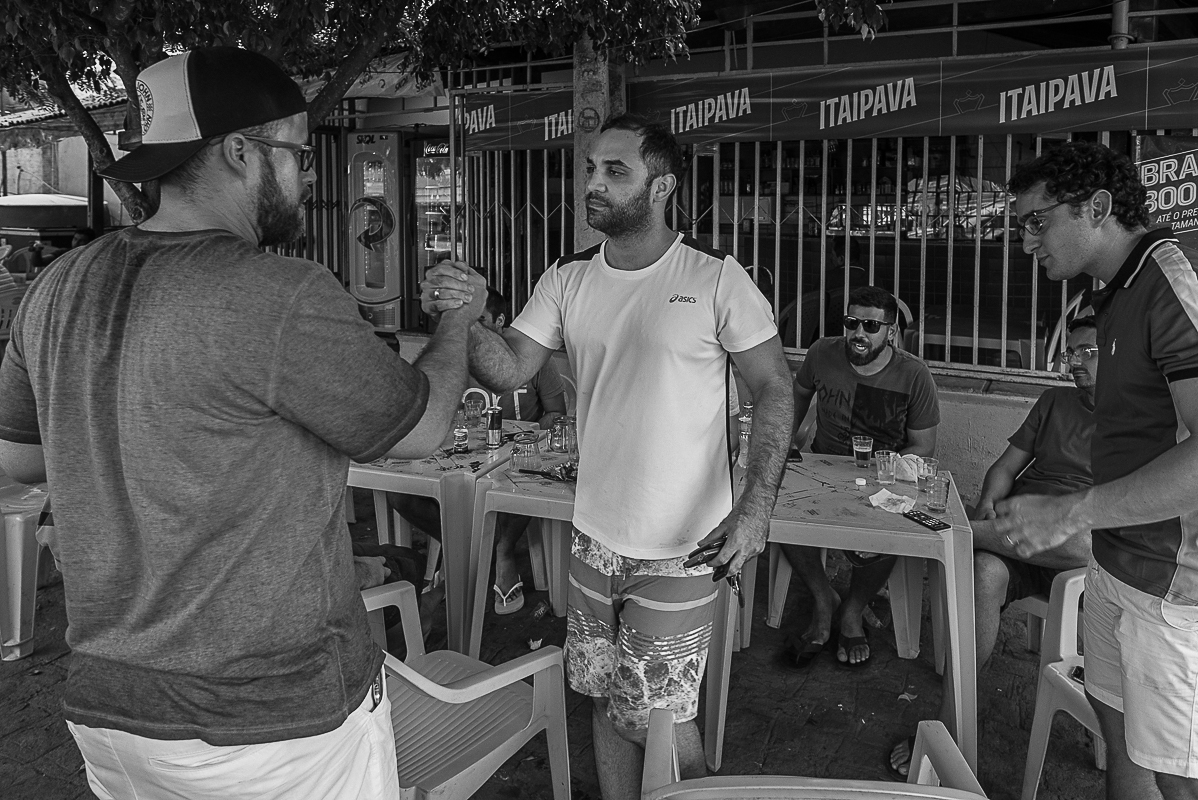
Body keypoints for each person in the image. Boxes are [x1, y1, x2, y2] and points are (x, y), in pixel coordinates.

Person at [0, 47, 486, 800]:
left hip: (110, 720)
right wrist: (457, 323)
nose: (309, 175)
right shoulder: (277, 293)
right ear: (238, 152)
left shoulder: (56, 287)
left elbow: (21, 462)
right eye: (296, 153)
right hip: (267, 728)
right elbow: (421, 430)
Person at [421, 113, 794, 800]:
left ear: (662, 188)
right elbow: (509, 369)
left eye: (614, 171)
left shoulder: (715, 278)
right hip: (594, 539)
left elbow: (774, 385)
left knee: (654, 715)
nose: (592, 182)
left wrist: (756, 508)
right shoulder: (567, 279)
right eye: (590, 167)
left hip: (686, 546)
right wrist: (468, 315)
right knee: (600, 695)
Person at [981, 140, 1198, 800]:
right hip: (1114, 562)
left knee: (1174, 775)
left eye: (1036, 221)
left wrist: (1071, 511)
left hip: (1171, 588)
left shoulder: (1171, 283)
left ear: (1097, 207)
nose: (1026, 243)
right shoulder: (1113, 292)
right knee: (1120, 740)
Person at [887, 315, 1099, 779]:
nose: (1075, 364)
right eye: (1071, 354)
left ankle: (947, 528)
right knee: (984, 572)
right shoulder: (1054, 401)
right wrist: (986, 505)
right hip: (1013, 530)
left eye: (1088, 353)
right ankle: (952, 724)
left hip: (1074, 552)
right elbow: (1005, 469)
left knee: (1085, 544)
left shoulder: (1143, 419)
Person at [782, 285, 939, 670]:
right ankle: (823, 601)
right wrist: (785, 441)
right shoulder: (822, 353)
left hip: (881, 477)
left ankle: (852, 610)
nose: (859, 333)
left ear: (891, 332)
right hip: (822, 468)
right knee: (776, 511)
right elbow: (798, 396)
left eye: (871, 325)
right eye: (852, 323)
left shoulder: (914, 375)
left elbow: (923, 447)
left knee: (891, 528)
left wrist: (886, 471)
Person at [389, 286, 569, 615]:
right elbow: (428, 413)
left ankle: (500, 551)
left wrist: (531, 439)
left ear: (500, 321)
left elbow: (556, 410)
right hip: (462, 457)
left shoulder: (530, 360)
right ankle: (472, 548)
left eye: (478, 320)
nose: (468, 329)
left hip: (515, 458)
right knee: (400, 495)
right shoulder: (451, 359)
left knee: (523, 477)